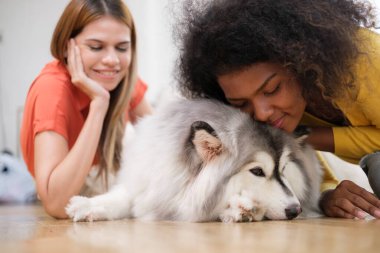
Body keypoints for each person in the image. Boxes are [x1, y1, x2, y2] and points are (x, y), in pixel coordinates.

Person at [177, 0, 380, 219]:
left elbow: (301, 145)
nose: (261, 113)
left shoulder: (365, 59)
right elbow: (301, 165)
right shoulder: (281, 118)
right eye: (240, 104)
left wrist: (308, 137)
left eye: (272, 89)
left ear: (302, 62)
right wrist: (326, 196)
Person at [20, 0, 152, 219]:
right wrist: (99, 105)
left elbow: (165, 145)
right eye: (96, 47)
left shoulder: (124, 80)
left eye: (122, 48)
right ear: (66, 47)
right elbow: (57, 204)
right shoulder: (51, 89)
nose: (112, 60)